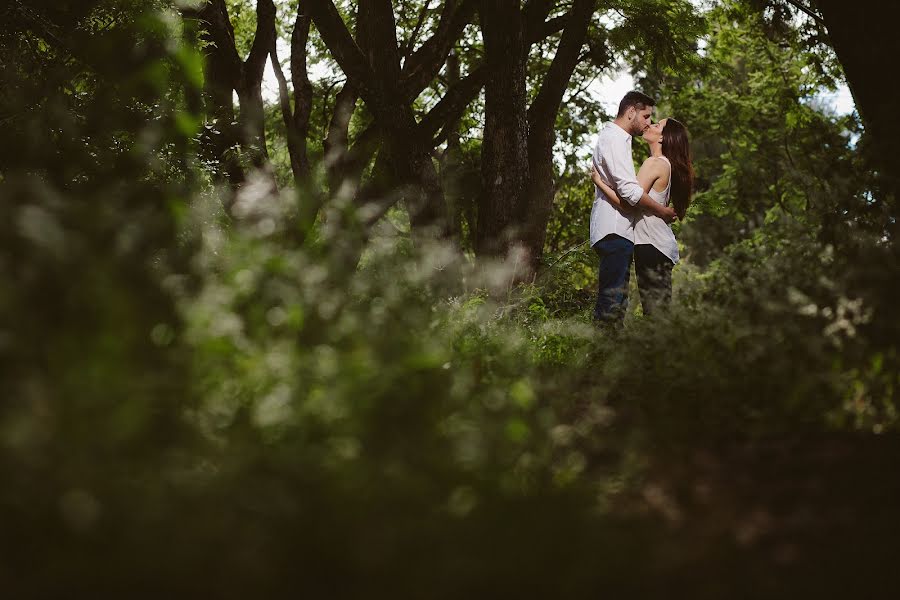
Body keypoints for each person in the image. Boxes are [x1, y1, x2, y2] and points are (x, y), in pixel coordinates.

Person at [591, 117, 694, 316]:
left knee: (656, 314)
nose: (650, 125)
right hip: (656, 244)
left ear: (663, 138)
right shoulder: (664, 164)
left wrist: (598, 181)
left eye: (656, 125)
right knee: (657, 312)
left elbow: (627, 203)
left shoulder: (655, 163)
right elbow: (632, 197)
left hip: (651, 244)